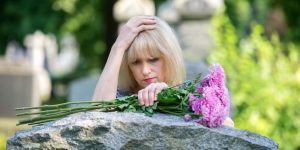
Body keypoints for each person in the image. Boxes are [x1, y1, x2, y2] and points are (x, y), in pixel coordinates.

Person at [92, 16, 234, 127]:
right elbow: (96, 116)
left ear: (170, 57)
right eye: (136, 62)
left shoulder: (189, 99)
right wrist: (118, 47)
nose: (145, 71)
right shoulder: (119, 99)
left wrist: (168, 97)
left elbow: (227, 126)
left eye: (153, 59)